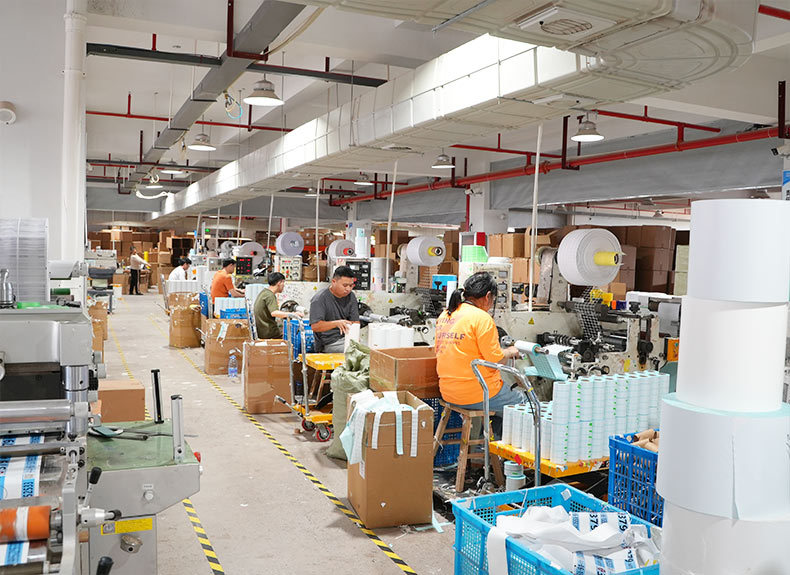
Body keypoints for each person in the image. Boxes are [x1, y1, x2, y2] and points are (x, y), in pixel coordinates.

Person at [435, 272, 522, 436]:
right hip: (477, 394)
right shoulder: (482, 318)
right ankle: (507, 449)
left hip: (448, 392)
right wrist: (510, 352)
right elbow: (496, 360)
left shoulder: (445, 315)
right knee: (526, 404)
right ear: (488, 296)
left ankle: (486, 444)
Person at [309, 266, 360, 353]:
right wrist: (336, 323)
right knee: (356, 353)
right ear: (333, 282)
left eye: (351, 285)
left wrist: (354, 335)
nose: (348, 289)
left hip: (347, 338)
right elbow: (315, 326)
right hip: (329, 343)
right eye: (345, 285)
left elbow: (355, 322)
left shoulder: (351, 296)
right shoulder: (320, 298)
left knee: (372, 351)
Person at [253, 272, 301, 339]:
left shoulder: (264, 292)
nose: (283, 286)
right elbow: (274, 313)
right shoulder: (270, 295)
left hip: (262, 331)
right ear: (279, 283)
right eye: (283, 282)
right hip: (268, 333)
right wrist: (293, 314)